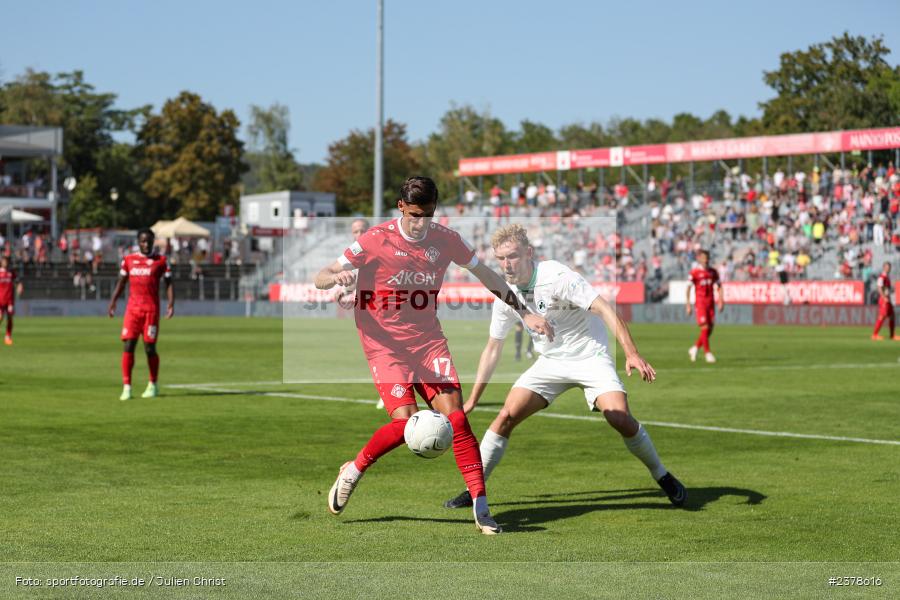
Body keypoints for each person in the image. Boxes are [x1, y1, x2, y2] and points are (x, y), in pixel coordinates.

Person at [313, 177, 553, 535]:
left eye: (427, 214)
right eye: (414, 215)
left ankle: (481, 507)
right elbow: (321, 275)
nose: (420, 222)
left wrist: (524, 311)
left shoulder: (446, 239)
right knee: (404, 423)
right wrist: (338, 277)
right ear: (400, 208)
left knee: (456, 418)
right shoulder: (375, 239)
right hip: (384, 345)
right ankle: (353, 471)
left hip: (427, 341)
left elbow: (486, 274)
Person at [442, 224, 684, 510]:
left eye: (513, 256)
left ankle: (662, 475)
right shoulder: (505, 294)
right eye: (501, 259)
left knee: (619, 417)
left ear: (529, 253)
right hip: (550, 362)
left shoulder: (557, 276)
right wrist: (473, 400)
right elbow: (493, 348)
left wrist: (631, 353)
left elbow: (605, 308)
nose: (507, 264)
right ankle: (475, 489)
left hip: (590, 356)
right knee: (505, 415)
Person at [107, 229, 174, 401]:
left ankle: (153, 384)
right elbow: (121, 282)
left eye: (149, 241)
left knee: (149, 348)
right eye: (143, 241)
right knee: (128, 345)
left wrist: (171, 304)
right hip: (132, 310)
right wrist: (113, 301)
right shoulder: (129, 260)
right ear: (138, 241)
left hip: (151, 311)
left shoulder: (161, 261)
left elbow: (168, 284)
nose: (146, 244)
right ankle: (127, 387)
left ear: (153, 242)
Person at [686, 249, 724, 363]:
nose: (705, 260)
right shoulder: (694, 272)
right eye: (703, 258)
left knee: (710, 329)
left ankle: (695, 348)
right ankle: (707, 353)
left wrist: (721, 300)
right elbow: (688, 288)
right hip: (700, 303)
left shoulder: (713, 272)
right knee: (705, 327)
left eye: (707, 258)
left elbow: (719, 286)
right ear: (699, 258)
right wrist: (688, 304)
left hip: (710, 303)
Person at [0, 257, 24, 345]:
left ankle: (8, 336)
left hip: (9, 300)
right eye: (3, 261)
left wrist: (20, 287)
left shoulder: (11, 273)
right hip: (0, 300)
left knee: (10, 318)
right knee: (0, 317)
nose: (5, 263)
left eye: (6, 261)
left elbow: (18, 281)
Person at [872, 262, 898, 341]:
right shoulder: (882, 277)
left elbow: (886, 289)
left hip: (888, 298)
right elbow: (879, 288)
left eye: (889, 267)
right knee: (882, 316)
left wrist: (891, 289)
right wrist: (884, 297)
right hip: (884, 299)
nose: (888, 268)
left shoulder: (887, 277)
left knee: (892, 316)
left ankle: (892, 335)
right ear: (883, 267)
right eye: (886, 267)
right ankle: (875, 335)